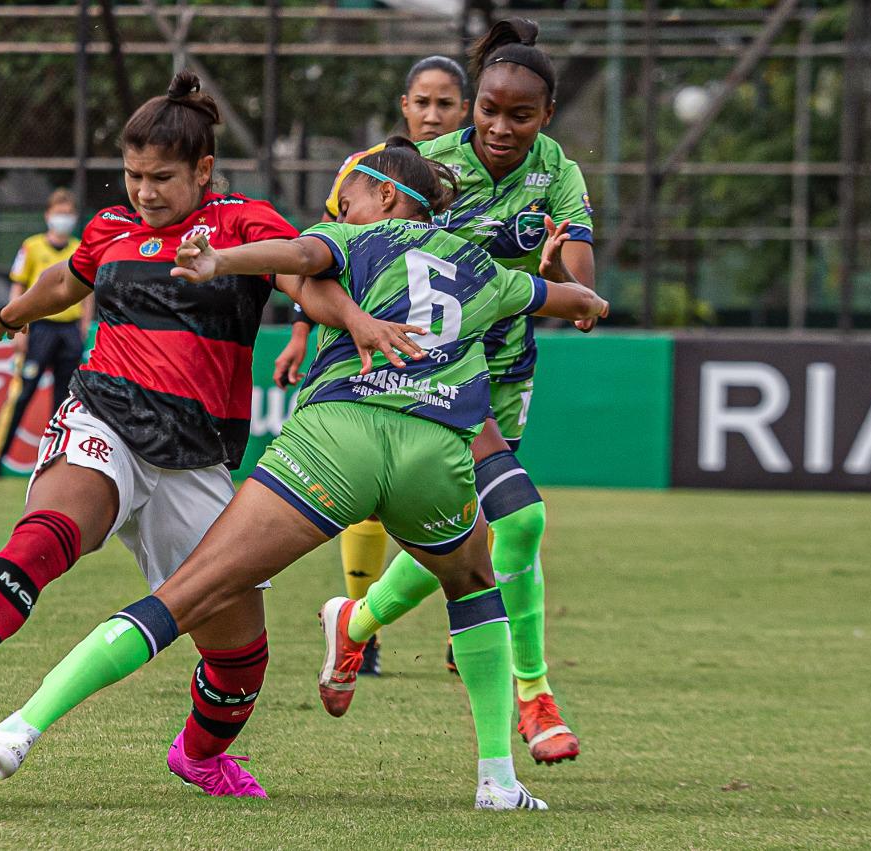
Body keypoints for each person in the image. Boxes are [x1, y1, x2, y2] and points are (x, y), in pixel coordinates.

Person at [0, 141, 607, 810]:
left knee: (186, 595)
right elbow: (579, 302)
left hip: (337, 441)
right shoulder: (483, 267)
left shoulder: (351, 238)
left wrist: (220, 260)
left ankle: (18, 731)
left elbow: (297, 255)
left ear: (385, 195)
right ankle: (497, 781)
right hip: (433, 454)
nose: (338, 206)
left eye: (349, 193)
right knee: (473, 586)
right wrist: (570, 285)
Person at [0, 70, 416, 796]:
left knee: (240, 660)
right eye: (133, 175)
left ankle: (199, 756)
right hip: (104, 415)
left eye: (161, 178)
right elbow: (65, 283)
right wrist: (10, 315)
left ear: (203, 170)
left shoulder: (243, 223)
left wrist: (355, 320)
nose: (144, 192)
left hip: (196, 458)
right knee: (44, 538)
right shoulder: (110, 229)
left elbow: (305, 280)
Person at [282, 18, 597, 765]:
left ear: (547, 115)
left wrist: (559, 274)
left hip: (506, 373)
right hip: (433, 374)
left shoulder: (559, 172)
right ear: (472, 103)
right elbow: (324, 255)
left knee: (466, 532)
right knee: (519, 520)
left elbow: (583, 297)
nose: (500, 127)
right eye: (488, 109)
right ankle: (534, 695)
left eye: (520, 115)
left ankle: (356, 622)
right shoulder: (421, 168)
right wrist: (331, 324)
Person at [274, 55, 472, 676]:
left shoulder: (479, 169)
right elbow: (323, 251)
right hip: (370, 344)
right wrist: (301, 331)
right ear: (404, 106)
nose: (432, 114)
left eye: (445, 104)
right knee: (370, 490)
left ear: (465, 111)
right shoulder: (365, 170)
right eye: (422, 102)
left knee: (467, 492)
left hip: (452, 353)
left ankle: (461, 626)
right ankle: (366, 627)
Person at [0, 188, 90, 481]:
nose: (63, 219)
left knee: (64, 401)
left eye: (68, 214)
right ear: (48, 215)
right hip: (38, 328)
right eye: (59, 213)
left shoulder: (80, 247)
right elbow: (18, 286)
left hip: (69, 330)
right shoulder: (32, 247)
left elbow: (88, 293)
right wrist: (16, 326)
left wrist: (83, 326)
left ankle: (56, 464)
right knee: (22, 394)